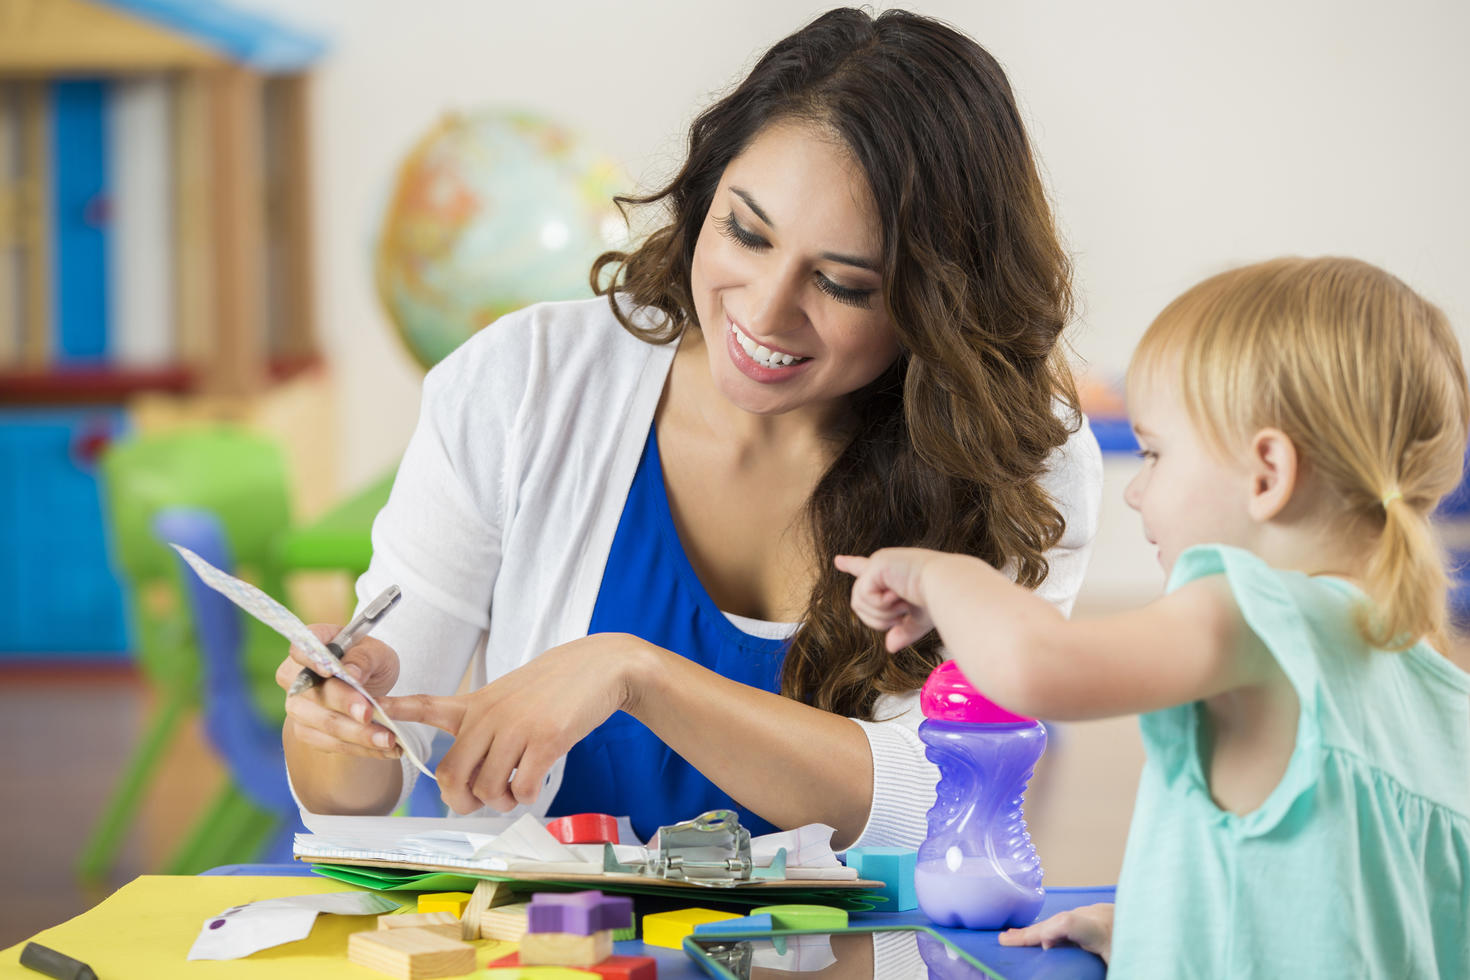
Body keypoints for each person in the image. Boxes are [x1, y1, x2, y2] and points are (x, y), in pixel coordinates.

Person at [277, 7, 1103, 851]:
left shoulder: (1020, 460)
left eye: (845, 284)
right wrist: (331, 725)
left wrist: (635, 673)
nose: (766, 310)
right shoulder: (522, 386)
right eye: (746, 232)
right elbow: (352, 793)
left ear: (938, 303)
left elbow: (947, 801)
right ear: (706, 194)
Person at [838, 256, 1470, 974]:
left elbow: (1036, 669)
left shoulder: (1254, 611)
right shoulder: (1436, 687)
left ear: (1268, 474)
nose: (1137, 493)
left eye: (1154, 454)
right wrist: (1162, 928)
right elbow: (1337, 918)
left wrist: (941, 573)